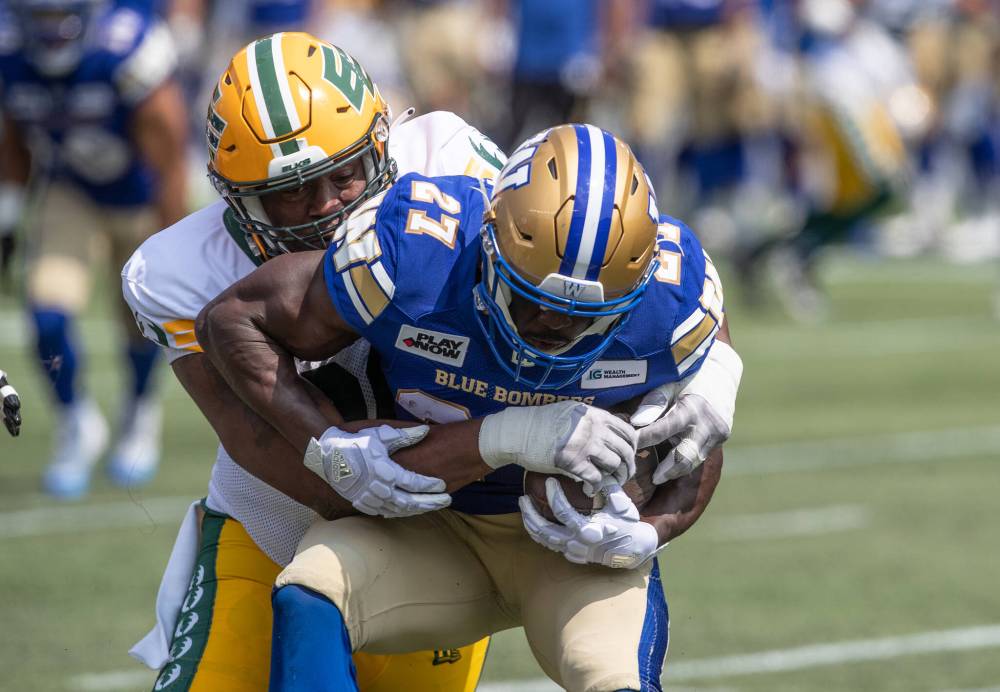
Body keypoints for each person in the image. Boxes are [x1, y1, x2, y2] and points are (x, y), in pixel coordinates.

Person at [197, 123, 744, 691]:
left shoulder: (671, 302)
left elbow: (697, 449)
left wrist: (652, 531)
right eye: (530, 297)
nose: (553, 323)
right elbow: (232, 320)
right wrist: (327, 442)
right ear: (489, 242)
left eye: (585, 315)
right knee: (310, 593)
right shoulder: (415, 255)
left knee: (613, 680)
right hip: (423, 528)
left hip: (572, 553)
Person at [122, 32, 505, 692]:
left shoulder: (448, 162)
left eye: (345, 174)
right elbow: (251, 435)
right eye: (292, 192)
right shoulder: (180, 272)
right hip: (272, 524)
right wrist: (343, 465)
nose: (328, 205)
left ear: (383, 146)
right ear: (237, 199)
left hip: (442, 533)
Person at [0, 0, 188, 497]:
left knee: (141, 322)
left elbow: (170, 153)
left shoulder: (126, 48)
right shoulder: (9, 47)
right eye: (38, 17)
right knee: (47, 316)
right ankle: (75, 422)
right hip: (70, 192)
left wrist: (174, 239)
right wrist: (9, 216)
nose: (49, 29)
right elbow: (13, 137)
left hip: (138, 196)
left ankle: (139, 409)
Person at [1, 369, 22, 437]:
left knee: (11, 404)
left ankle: (10, 420)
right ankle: (11, 421)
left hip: (5, 395)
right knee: (13, 404)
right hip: (10, 393)